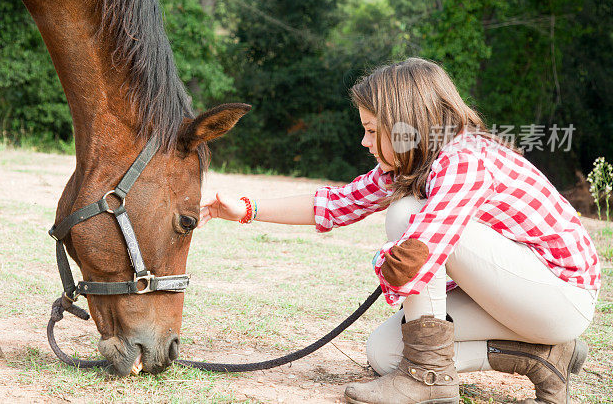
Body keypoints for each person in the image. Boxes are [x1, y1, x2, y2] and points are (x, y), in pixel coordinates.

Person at [199, 58, 600, 404]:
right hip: (516, 295)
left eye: (372, 130)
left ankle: (428, 377)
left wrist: (386, 261)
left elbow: (420, 253)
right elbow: (337, 203)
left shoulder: (464, 159)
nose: (364, 141)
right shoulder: (415, 159)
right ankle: (541, 357)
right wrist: (246, 209)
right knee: (386, 354)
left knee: (408, 214)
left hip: (559, 297)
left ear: (408, 124)